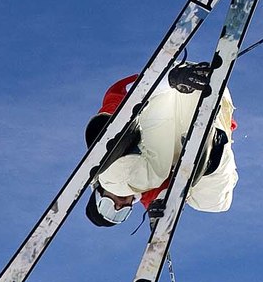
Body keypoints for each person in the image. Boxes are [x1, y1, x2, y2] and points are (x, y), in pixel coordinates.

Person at [84, 64, 237, 228]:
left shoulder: (115, 180)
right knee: (214, 203)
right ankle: (207, 146)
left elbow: (128, 92)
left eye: (107, 207)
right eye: (120, 214)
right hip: (207, 100)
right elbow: (160, 195)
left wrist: (171, 79)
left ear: (97, 193)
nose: (118, 206)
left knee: (116, 181)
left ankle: (119, 140)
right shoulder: (146, 187)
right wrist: (163, 213)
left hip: (165, 92)